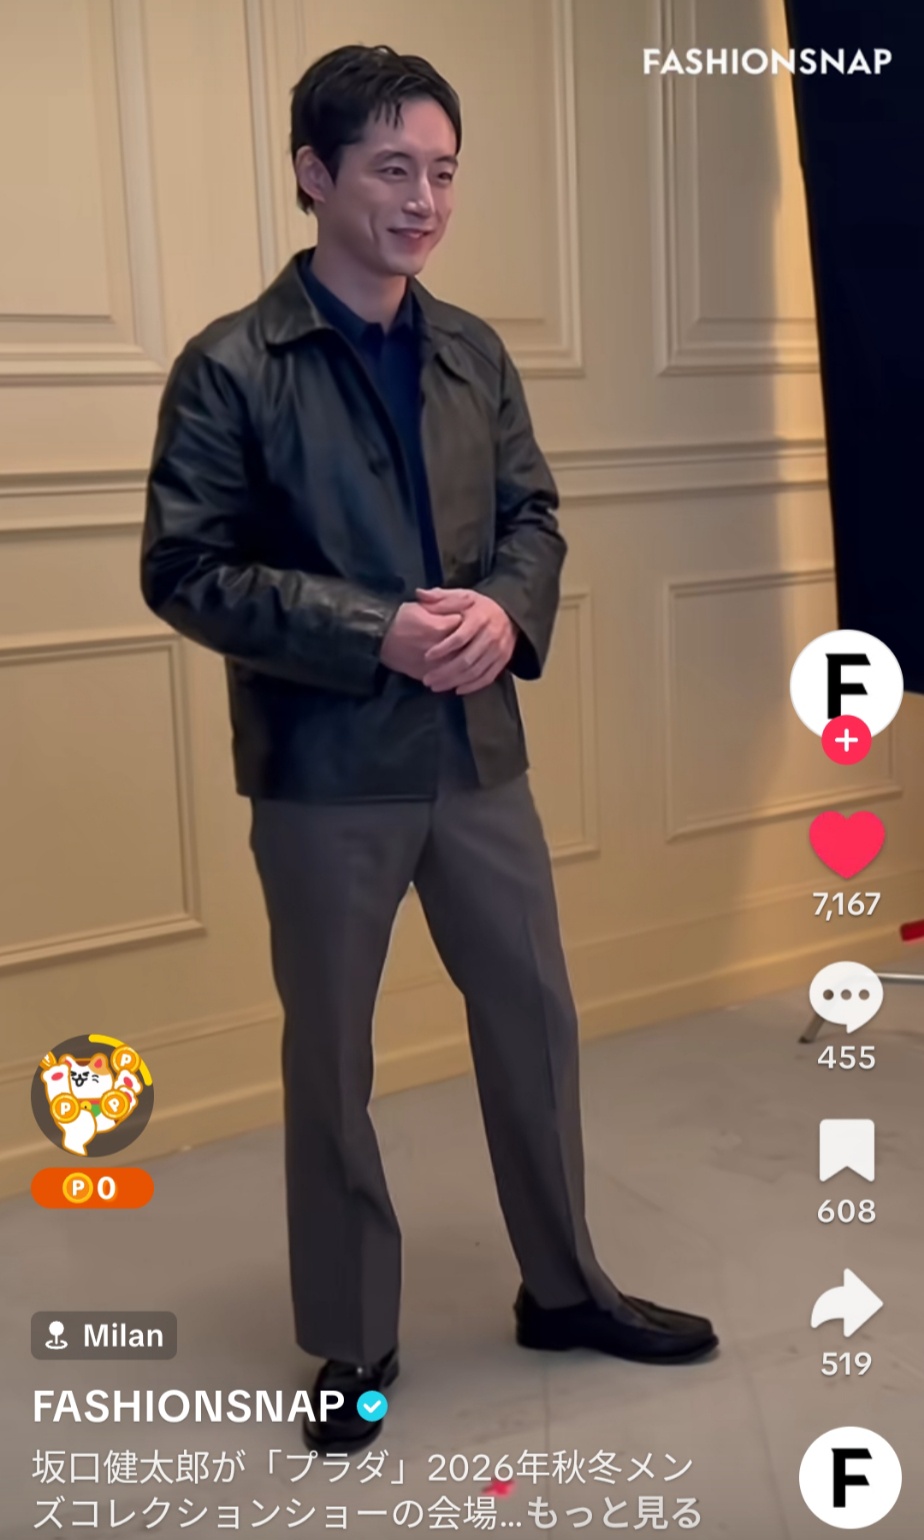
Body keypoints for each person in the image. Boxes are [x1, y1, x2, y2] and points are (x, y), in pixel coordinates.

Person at [140, 42, 718, 1456]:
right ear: (314, 173)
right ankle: (352, 1340)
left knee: (535, 1023)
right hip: (324, 775)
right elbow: (184, 569)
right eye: (393, 168)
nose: (424, 200)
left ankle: (567, 1290)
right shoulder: (231, 364)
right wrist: (376, 631)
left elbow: (534, 516)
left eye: (444, 171)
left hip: (477, 753)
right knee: (332, 1058)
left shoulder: (474, 352)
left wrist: (504, 610)